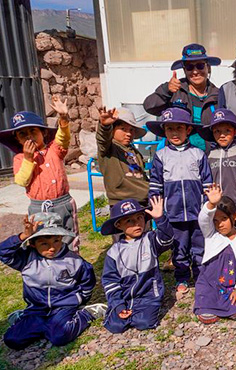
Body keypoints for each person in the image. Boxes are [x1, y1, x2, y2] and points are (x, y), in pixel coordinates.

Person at [0, 213, 106, 350]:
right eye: (44, 243)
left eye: (56, 241)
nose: (52, 248)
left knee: (59, 336)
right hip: (37, 309)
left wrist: (79, 299)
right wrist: (23, 236)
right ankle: (25, 317)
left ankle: (87, 313)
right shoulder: (25, 260)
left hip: (63, 307)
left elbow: (87, 281)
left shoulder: (74, 261)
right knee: (12, 340)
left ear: (61, 238)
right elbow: (3, 251)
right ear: (32, 244)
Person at [0, 98, 80, 252]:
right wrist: (29, 159)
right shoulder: (19, 158)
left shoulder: (54, 149)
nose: (29, 136)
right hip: (38, 206)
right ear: (17, 139)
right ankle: (47, 267)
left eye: (33, 131)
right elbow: (22, 180)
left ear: (43, 132)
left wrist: (63, 118)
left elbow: (63, 138)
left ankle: (72, 264)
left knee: (69, 235)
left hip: (62, 203)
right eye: (23, 134)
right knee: (42, 239)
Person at [147, 107, 212, 293]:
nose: (174, 133)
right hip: (174, 213)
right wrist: (157, 207)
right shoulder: (161, 156)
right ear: (164, 131)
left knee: (199, 245)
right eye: (169, 129)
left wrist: (209, 206)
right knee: (179, 247)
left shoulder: (198, 154)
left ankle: (201, 276)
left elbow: (207, 182)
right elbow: (155, 184)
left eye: (179, 128)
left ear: (188, 130)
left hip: (197, 211)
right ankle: (182, 277)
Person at [100, 197, 174, 333]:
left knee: (144, 323)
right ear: (118, 225)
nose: (137, 223)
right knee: (115, 326)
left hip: (148, 296)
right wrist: (118, 305)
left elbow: (167, 240)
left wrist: (160, 219)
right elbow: (110, 281)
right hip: (124, 297)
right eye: (129, 221)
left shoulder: (150, 239)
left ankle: (147, 310)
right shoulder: (114, 252)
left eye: (140, 218)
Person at [143, 43, 222, 150]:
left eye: (200, 65)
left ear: (208, 67)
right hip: (177, 155)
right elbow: (149, 106)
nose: (195, 71)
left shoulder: (219, 94)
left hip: (209, 156)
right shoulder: (174, 91)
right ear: (184, 70)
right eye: (189, 67)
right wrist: (166, 90)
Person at [194, 185, 236, 323]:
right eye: (215, 220)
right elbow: (203, 220)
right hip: (211, 283)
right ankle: (208, 306)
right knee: (205, 298)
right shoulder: (211, 235)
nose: (220, 224)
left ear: (235, 216)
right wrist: (211, 204)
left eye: (224, 219)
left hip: (232, 284)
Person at [198, 108, 236, 230]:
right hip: (216, 204)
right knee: (219, 239)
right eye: (217, 131)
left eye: (227, 131)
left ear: (235, 132)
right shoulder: (209, 154)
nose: (222, 135)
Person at [96, 107, 149, 207]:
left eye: (131, 130)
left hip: (142, 203)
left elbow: (142, 178)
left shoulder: (135, 153)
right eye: (123, 129)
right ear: (112, 130)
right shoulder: (109, 149)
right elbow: (102, 139)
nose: (128, 134)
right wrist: (105, 126)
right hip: (122, 204)